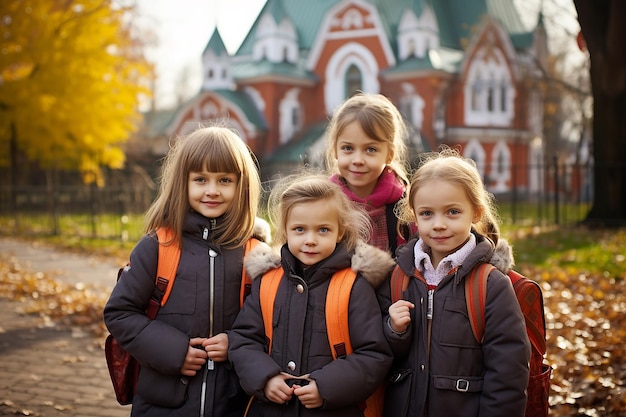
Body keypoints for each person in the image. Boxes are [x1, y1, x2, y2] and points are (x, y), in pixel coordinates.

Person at [103, 126, 262, 417]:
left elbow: (267, 324)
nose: (212, 190)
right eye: (200, 179)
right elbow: (120, 313)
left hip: (232, 403)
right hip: (163, 403)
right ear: (182, 183)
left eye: (224, 180)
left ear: (242, 186)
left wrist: (235, 343)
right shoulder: (158, 246)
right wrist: (175, 352)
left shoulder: (255, 255)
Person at [229, 173, 394, 417]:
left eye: (323, 230)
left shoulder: (353, 285)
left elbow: (373, 354)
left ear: (339, 233)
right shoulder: (268, 281)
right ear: (285, 230)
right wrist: (266, 379)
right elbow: (243, 340)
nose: (310, 240)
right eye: (299, 229)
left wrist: (325, 387)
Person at [381, 148, 530, 417]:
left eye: (452, 212)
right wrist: (393, 329)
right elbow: (378, 353)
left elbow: (508, 372)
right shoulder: (398, 277)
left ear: (475, 212)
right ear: (414, 215)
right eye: (427, 214)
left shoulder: (490, 285)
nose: (438, 224)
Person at [325, 92, 414, 254]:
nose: (358, 160)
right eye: (348, 148)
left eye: (370, 149)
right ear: (335, 150)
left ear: (389, 154)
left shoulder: (406, 210)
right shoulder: (324, 204)